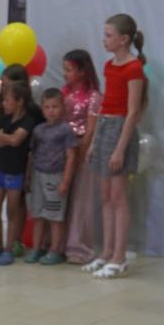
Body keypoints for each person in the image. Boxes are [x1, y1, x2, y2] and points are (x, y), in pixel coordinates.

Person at [84, 13, 147, 279]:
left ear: (123, 39)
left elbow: (133, 112)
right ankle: (107, 251)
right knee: (106, 196)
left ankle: (119, 256)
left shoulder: (134, 68)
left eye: (109, 35)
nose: (104, 40)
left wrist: (120, 148)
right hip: (105, 127)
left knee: (119, 197)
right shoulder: (109, 66)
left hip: (121, 130)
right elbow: (105, 104)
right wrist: (94, 142)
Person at [0, 80, 36, 266]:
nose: (3, 103)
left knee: (12, 211)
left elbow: (16, 140)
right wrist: (5, 138)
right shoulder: (2, 118)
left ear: (19, 102)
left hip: (15, 171)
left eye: (7, 100)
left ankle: (8, 249)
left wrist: (1, 136)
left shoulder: (28, 121)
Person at [25, 88, 78, 264]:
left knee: (55, 216)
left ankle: (55, 250)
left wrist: (65, 181)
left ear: (62, 107)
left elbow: (71, 156)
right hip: (38, 175)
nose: (51, 111)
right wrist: (29, 176)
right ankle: (36, 248)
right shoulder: (38, 130)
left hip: (56, 176)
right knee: (38, 214)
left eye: (55, 106)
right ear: (42, 109)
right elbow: (32, 154)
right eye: (47, 107)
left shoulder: (66, 130)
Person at [61, 49, 102, 264]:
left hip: (82, 153)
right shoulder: (64, 93)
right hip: (62, 151)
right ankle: (57, 242)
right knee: (60, 196)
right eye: (64, 69)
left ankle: (79, 247)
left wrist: (79, 153)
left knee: (81, 200)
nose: (65, 74)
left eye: (69, 70)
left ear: (82, 71)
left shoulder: (93, 97)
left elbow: (91, 130)